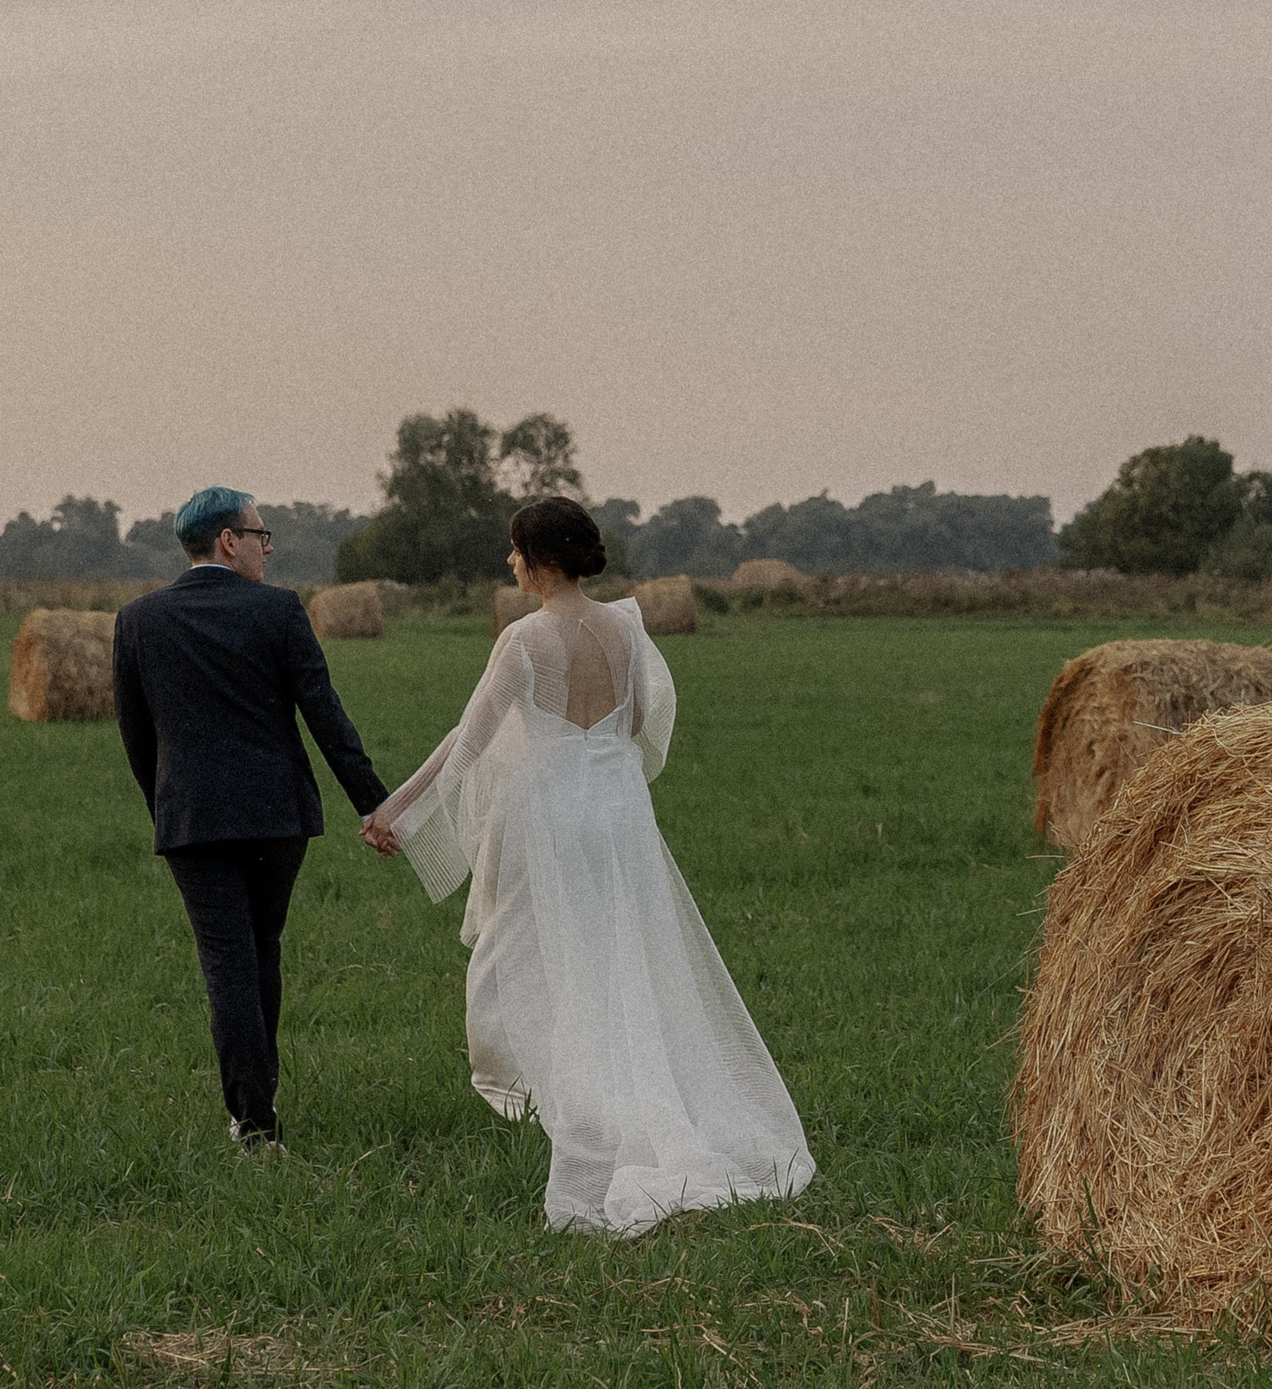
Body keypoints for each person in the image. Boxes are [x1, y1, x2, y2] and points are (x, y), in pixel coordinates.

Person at [363, 496, 813, 1235]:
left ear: (539, 559)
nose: (509, 564)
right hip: (617, 810)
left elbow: (469, 741)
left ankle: (559, 1100)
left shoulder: (522, 640)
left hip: (549, 812)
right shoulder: (629, 629)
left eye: (514, 551)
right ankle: (604, 1091)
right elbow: (635, 723)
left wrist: (398, 812)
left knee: (512, 956)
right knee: (619, 954)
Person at [114, 486, 390, 1149]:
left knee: (227, 961)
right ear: (228, 541)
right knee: (260, 952)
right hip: (276, 816)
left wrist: (169, 809)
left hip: (193, 822)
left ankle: (252, 1119)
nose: (268, 548)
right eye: (260, 535)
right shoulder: (277, 611)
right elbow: (325, 715)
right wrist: (376, 803)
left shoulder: (139, 619)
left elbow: (135, 733)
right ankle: (255, 1105)